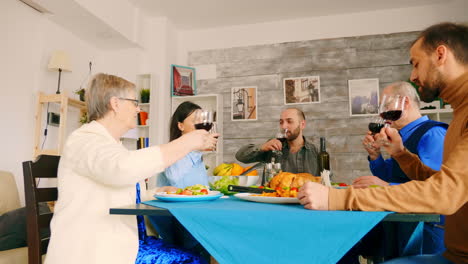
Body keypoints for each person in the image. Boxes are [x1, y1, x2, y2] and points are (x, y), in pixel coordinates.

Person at [298, 22, 468, 264]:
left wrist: (337, 199)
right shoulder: (461, 111)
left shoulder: (443, 127)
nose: (413, 76)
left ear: (440, 55)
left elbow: (444, 193)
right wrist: (400, 155)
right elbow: (444, 182)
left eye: (416, 63)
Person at [45, 73, 218, 264]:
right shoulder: (85, 140)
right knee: (193, 260)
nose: (138, 109)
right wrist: (186, 143)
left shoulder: (110, 144)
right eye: (134, 102)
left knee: (197, 254)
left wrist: (156, 192)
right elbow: (121, 169)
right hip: (95, 248)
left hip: (121, 241)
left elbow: (117, 190)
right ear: (115, 103)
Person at [351, 82, 448, 260]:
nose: (381, 113)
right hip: (401, 224)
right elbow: (392, 175)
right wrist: (375, 157)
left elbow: (434, 188)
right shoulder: (401, 135)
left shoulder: (433, 134)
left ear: (405, 102)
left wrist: (386, 187)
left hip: (426, 232)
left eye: (386, 106)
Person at [235, 108, 319, 175]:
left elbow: (326, 181)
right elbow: (240, 156)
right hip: (274, 195)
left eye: (289, 121)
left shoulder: (316, 151)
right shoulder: (271, 147)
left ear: (302, 125)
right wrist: (261, 147)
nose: (284, 126)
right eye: (281, 122)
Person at [157, 101, 208, 188]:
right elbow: (176, 180)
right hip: (175, 201)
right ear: (181, 126)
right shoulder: (172, 151)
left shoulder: (196, 153)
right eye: (196, 120)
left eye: (202, 120)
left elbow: (202, 186)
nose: (201, 125)